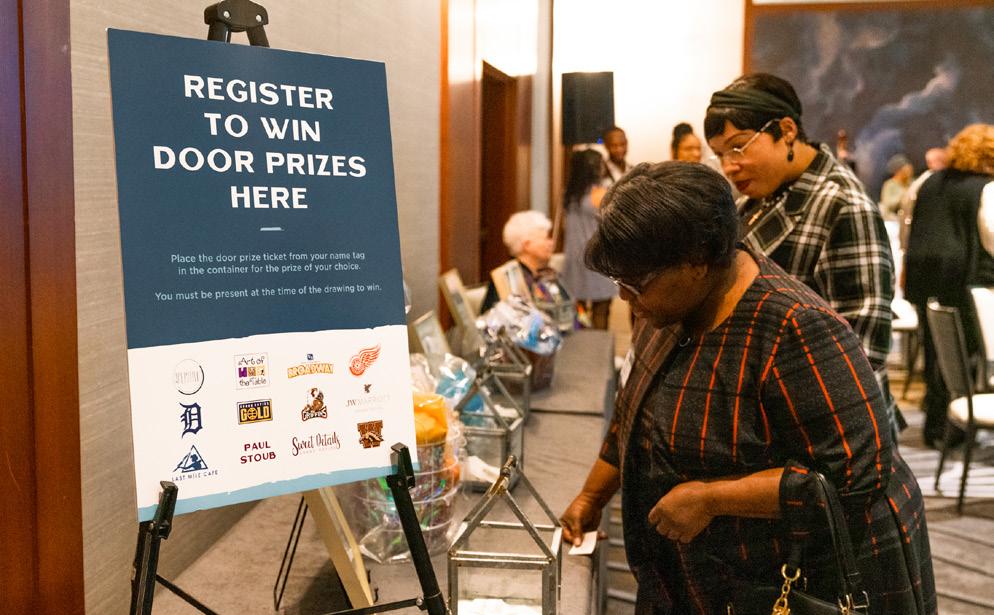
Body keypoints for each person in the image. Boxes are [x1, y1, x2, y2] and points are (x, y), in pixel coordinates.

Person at [560, 161, 935, 614]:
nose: (625, 298)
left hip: (784, 585)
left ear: (696, 262)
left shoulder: (795, 326)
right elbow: (634, 412)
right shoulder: (668, 308)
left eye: (635, 283)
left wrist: (712, 499)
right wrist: (592, 496)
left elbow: (856, 474)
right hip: (693, 577)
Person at [703, 72, 900, 434]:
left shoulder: (843, 204)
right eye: (720, 155)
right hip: (760, 413)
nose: (729, 166)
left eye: (738, 147)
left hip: (824, 426)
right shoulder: (755, 198)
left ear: (787, 130)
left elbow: (863, 348)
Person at [904, 124, 994, 448]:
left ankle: (936, 424)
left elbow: (907, 224)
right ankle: (956, 426)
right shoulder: (986, 188)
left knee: (936, 351)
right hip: (962, 277)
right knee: (965, 355)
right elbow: (991, 235)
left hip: (923, 272)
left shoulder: (927, 181)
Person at [562, 149, 616, 329]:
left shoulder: (569, 195)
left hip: (574, 256)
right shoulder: (600, 194)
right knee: (601, 309)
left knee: (579, 310)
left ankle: (581, 342)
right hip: (597, 257)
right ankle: (600, 345)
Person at [480, 210, 565, 313]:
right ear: (527, 245)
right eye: (546, 238)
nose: (551, 243)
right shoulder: (504, 278)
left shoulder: (549, 274)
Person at [879, 153, 914, 222]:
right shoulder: (890, 185)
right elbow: (887, 204)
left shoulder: (912, 182)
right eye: (906, 170)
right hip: (894, 220)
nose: (909, 172)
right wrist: (903, 196)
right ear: (898, 171)